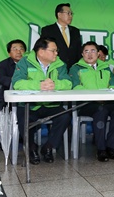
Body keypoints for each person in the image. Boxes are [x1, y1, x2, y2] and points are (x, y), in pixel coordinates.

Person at [12, 37, 72, 165]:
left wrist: (55, 84)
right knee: (25, 119)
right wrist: (39, 85)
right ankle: (31, 148)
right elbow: (17, 83)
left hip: (51, 105)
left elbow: (68, 83)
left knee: (65, 116)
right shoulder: (25, 62)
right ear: (41, 52)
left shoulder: (59, 64)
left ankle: (49, 147)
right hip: (30, 105)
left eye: (57, 51)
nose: (56, 53)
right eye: (53, 50)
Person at [69, 41, 114, 162]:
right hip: (86, 103)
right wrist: (95, 96)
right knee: (101, 111)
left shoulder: (105, 67)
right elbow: (75, 87)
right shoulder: (76, 68)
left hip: (106, 101)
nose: (90, 54)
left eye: (93, 51)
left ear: (98, 53)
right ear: (82, 54)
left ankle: (110, 146)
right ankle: (101, 149)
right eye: (86, 51)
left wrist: (110, 93)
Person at [40, 3, 82, 70]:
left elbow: (78, 51)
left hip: (73, 70)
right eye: (68, 13)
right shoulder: (48, 30)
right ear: (59, 14)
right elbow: (44, 49)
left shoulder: (75, 31)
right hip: (55, 68)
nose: (70, 16)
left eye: (71, 14)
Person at [0, 39, 27, 111]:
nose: (18, 52)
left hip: (27, 92)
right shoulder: (3, 64)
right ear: (9, 53)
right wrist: (16, 81)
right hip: (9, 91)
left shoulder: (30, 64)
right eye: (15, 49)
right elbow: (1, 78)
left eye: (21, 49)